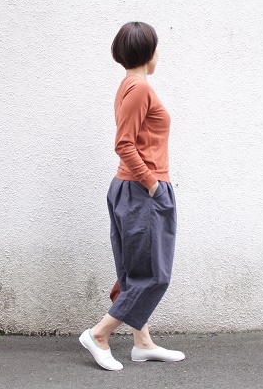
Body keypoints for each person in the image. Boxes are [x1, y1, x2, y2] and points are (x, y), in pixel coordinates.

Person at [79, 21, 184, 371]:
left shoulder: (128, 85)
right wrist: (152, 184)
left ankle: (142, 343)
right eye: (157, 47)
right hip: (142, 191)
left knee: (134, 272)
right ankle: (99, 334)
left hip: (131, 189)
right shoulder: (139, 88)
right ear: (148, 52)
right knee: (154, 274)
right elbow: (124, 144)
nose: (159, 54)